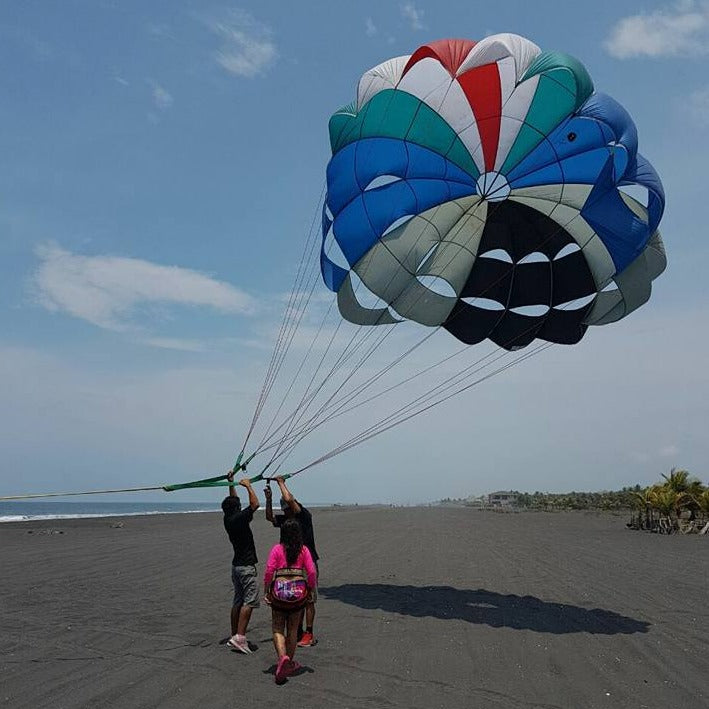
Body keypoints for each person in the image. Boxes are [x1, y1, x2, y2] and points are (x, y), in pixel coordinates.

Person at [265, 476, 320, 647]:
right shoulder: (286, 520)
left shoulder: (303, 515)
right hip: (290, 565)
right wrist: (268, 499)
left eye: (288, 509)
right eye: (284, 510)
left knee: (309, 598)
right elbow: (269, 517)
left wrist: (281, 482)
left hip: (307, 562)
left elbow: (289, 498)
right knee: (295, 598)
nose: (286, 512)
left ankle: (308, 633)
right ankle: (297, 631)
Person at [263, 518, 317, 684]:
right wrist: (311, 590)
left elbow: (269, 571)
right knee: (292, 631)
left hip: (279, 597)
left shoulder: (277, 549)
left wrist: (267, 590)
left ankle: (282, 658)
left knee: (278, 628)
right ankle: (288, 662)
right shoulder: (304, 551)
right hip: (298, 598)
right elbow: (312, 572)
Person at [222, 470, 260, 654]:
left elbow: (234, 502)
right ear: (236, 508)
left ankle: (234, 635)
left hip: (236, 566)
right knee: (249, 601)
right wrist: (247, 486)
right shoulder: (238, 518)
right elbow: (255, 504)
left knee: (238, 600)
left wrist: (232, 483)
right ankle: (240, 637)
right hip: (245, 567)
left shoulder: (229, 518)